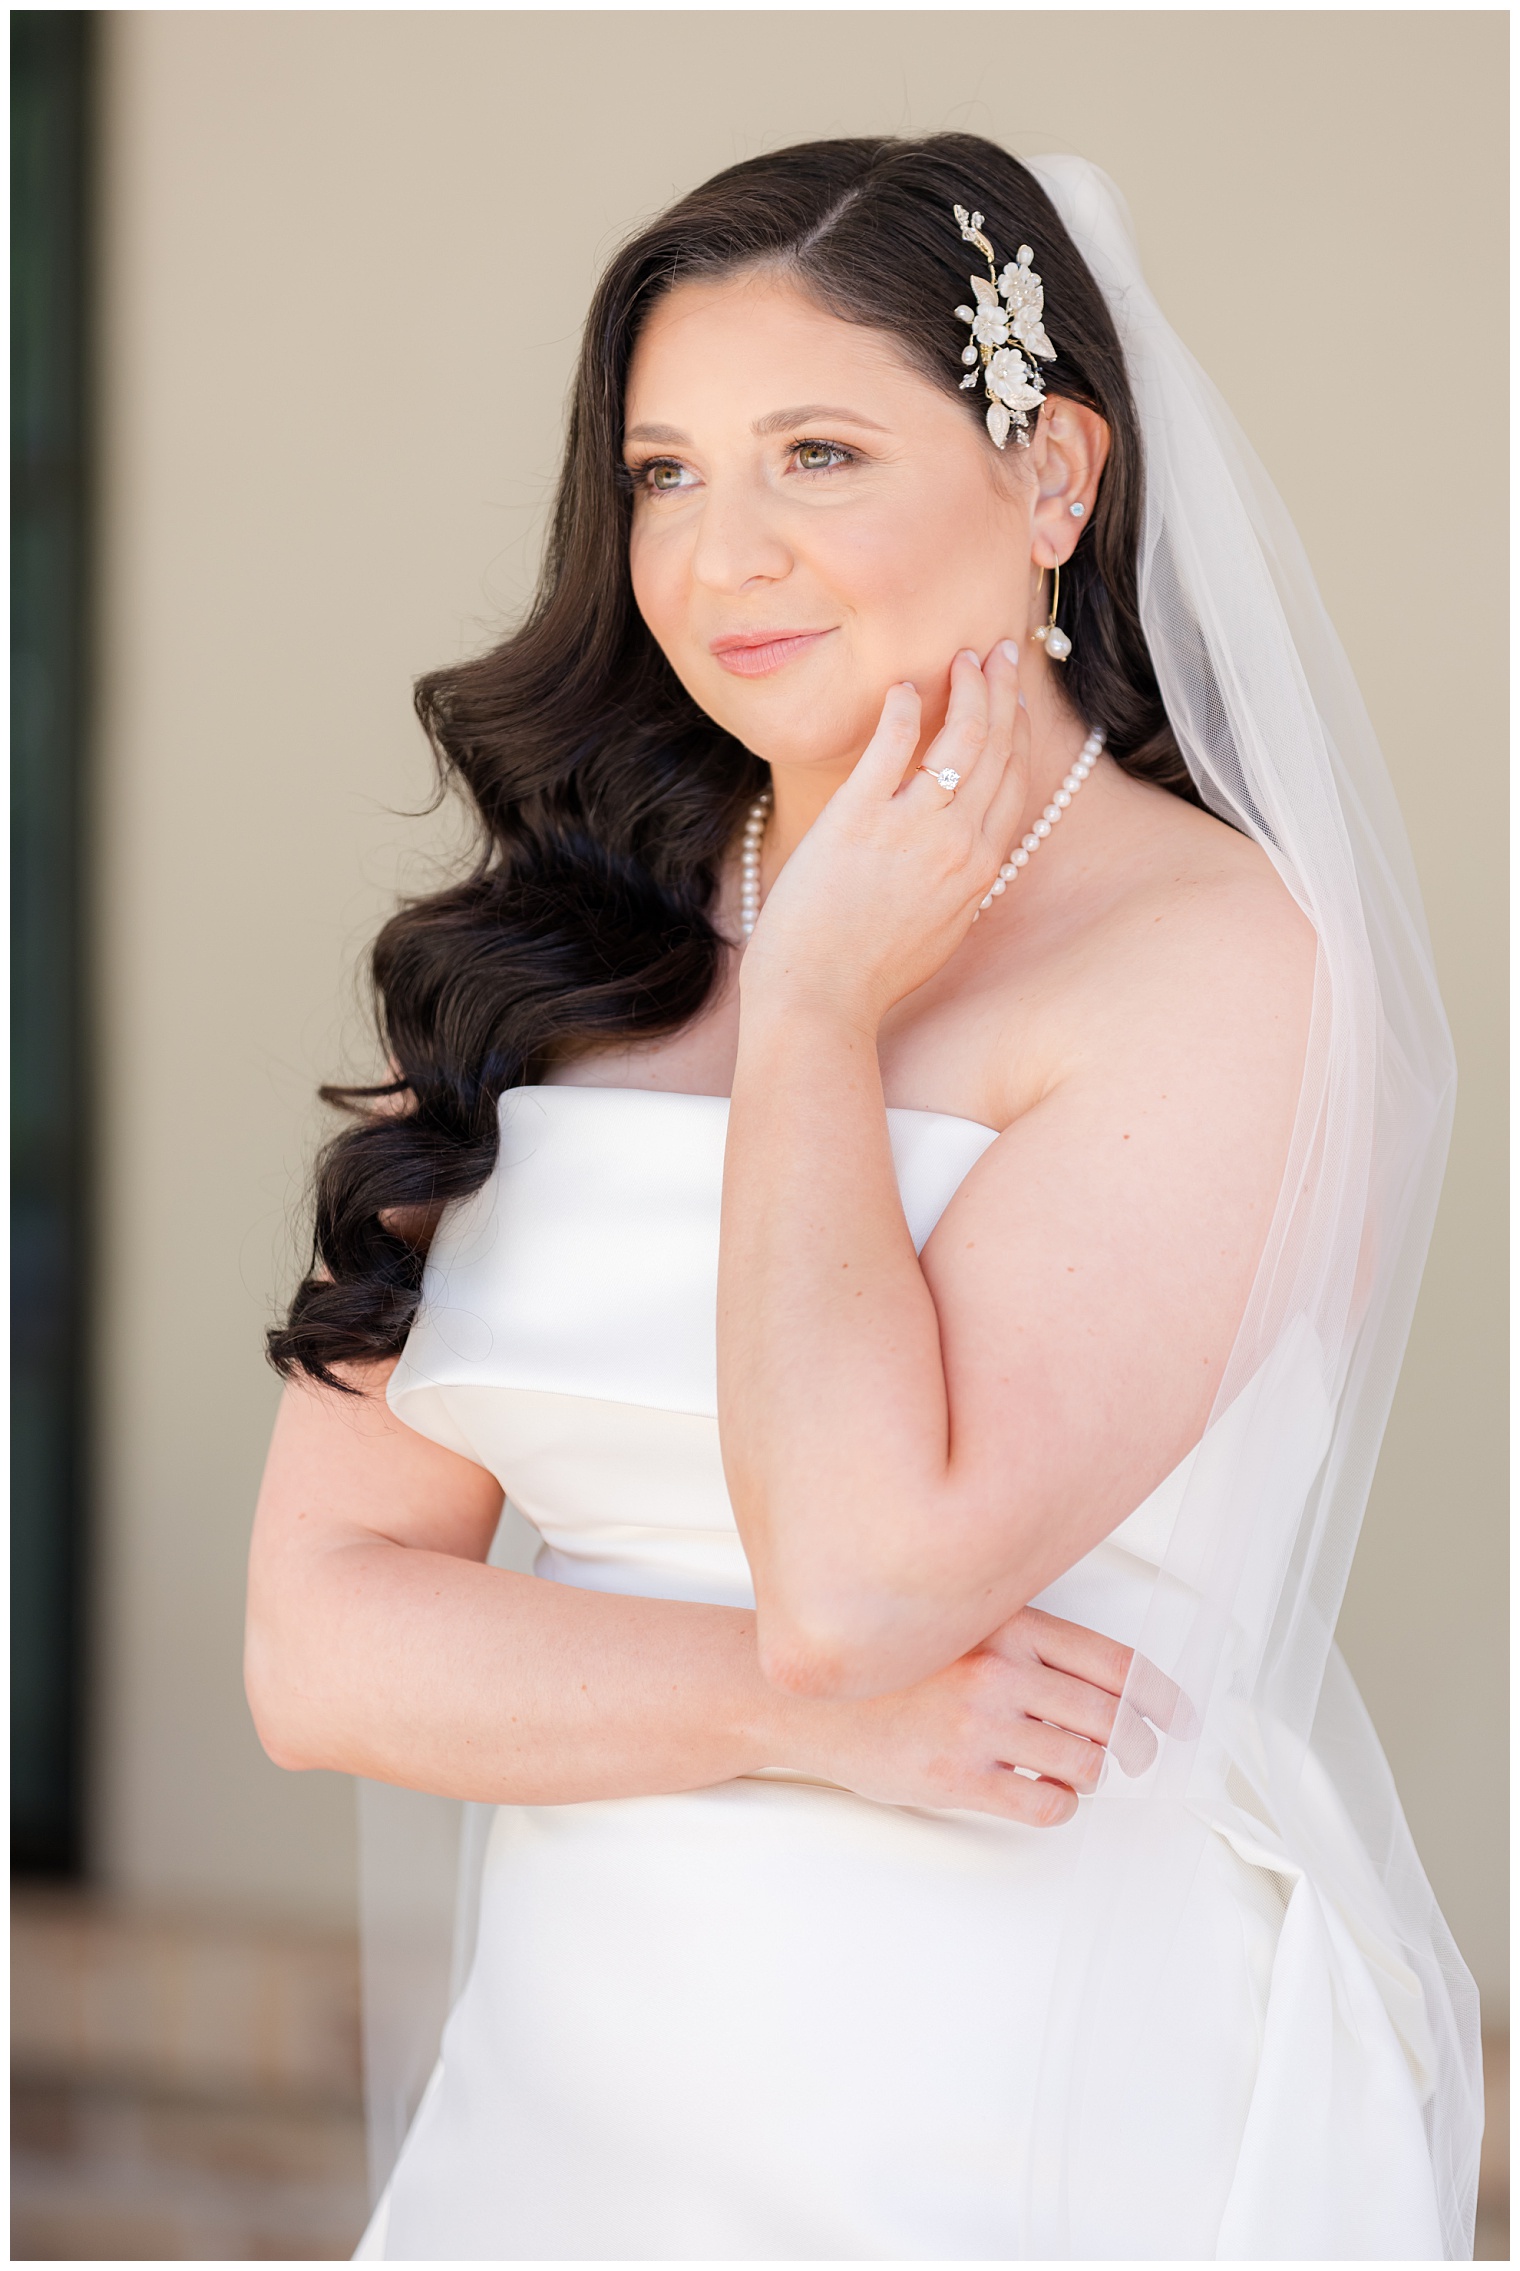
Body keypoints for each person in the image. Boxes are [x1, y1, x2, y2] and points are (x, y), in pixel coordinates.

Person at [245, 135, 1481, 2259]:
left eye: (816, 451)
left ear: (1051, 480)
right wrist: (784, 1717)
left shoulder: (1218, 963)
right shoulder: (550, 951)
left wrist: (811, 1005)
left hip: (1019, 2077)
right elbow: (319, 1644)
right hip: (586, 2083)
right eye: (662, 471)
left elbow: (866, 1580)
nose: (725, 552)